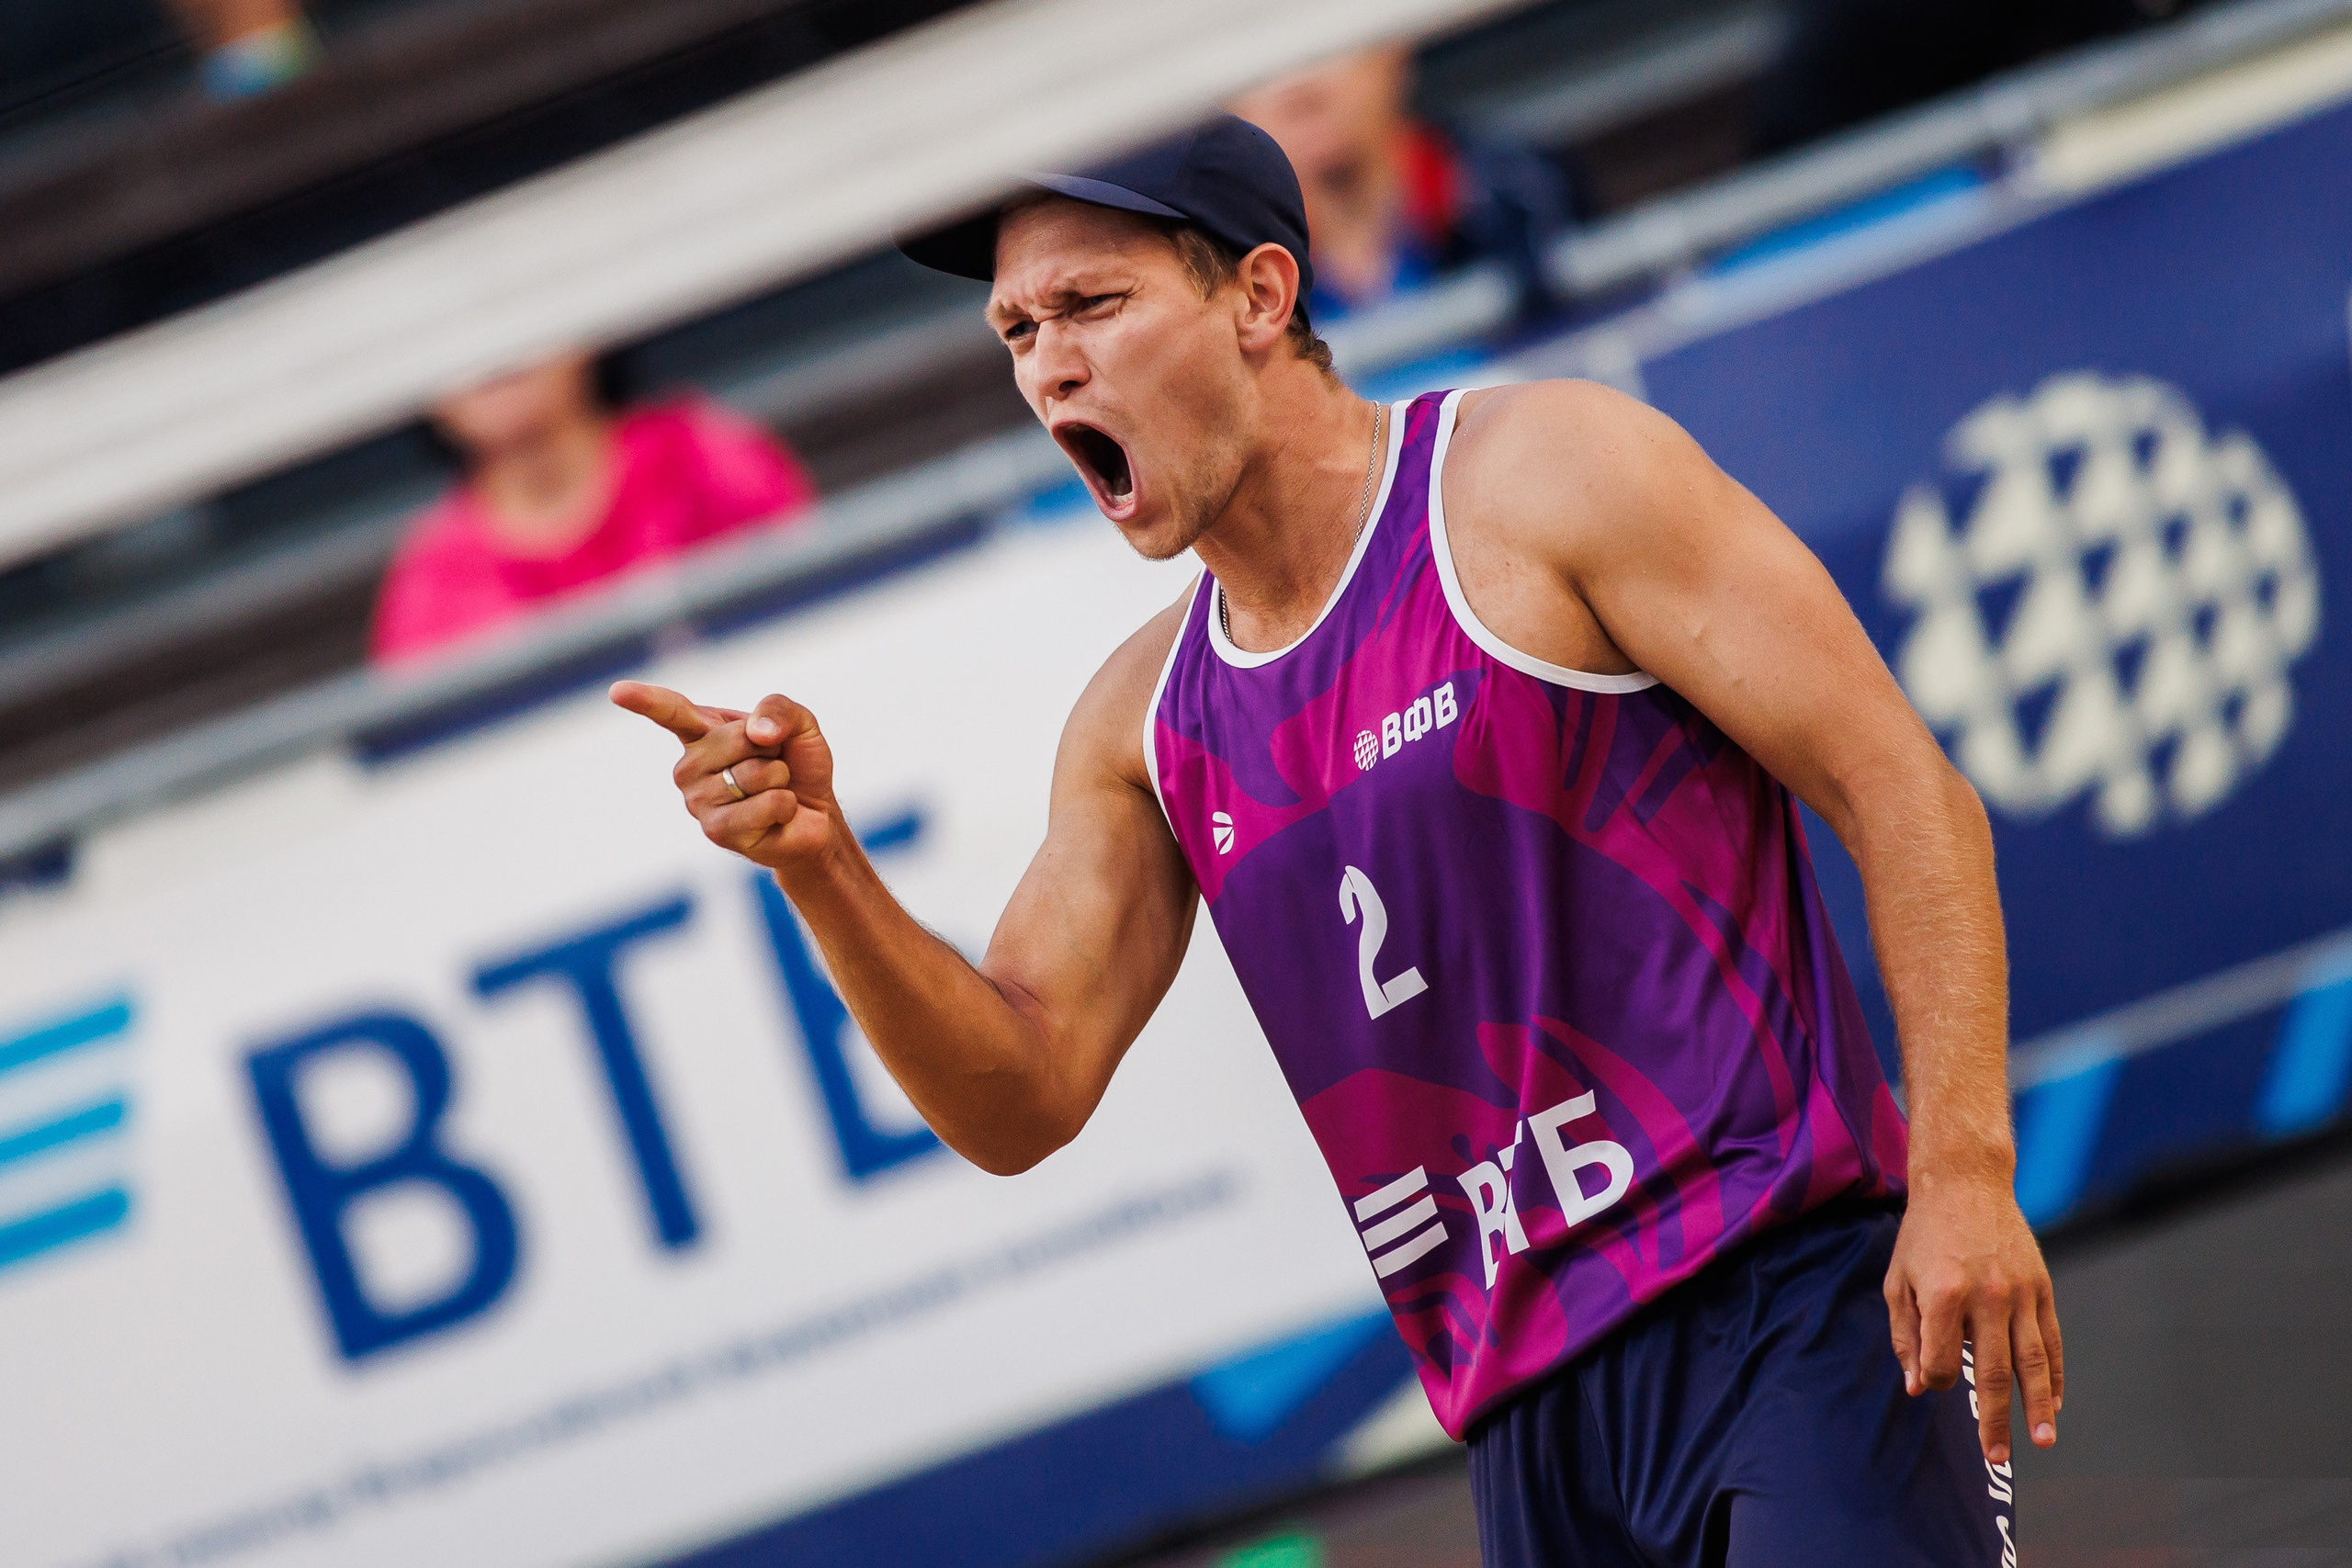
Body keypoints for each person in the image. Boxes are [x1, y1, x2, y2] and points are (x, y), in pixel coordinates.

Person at [613, 117, 2058, 1564]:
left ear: (1259, 294)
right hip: (1529, 1416)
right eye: (1017, 330)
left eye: (1090, 304)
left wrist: (1965, 1171)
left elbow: (1900, 788)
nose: (1049, 363)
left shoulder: (1541, 475)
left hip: (1788, 1297)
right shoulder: (1140, 720)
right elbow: (1019, 1097)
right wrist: (823, 868)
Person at [372, 351, 817, 665]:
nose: (492, 358)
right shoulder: (433, 580)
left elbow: (814, 614)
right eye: (457, 340)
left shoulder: (700, 456)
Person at [1230, 46, 1568, 321]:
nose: (1299, 89)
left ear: (1392, 50)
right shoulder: (1228, 277)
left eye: (1324, 39)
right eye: (1260, 63)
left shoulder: (1523, 197)